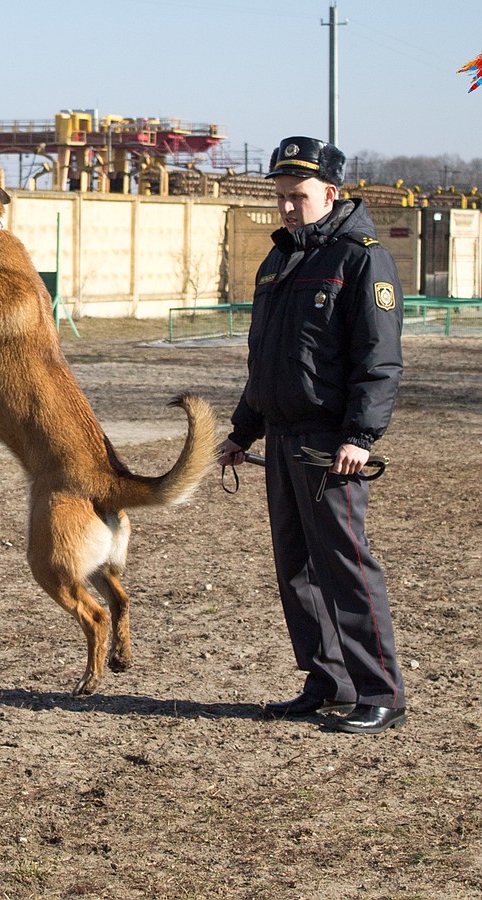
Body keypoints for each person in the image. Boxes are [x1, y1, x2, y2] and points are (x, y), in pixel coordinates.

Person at [218, 135, 407, 735]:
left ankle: (380, 691)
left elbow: (379, 358)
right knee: (295, 567)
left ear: (330, 191)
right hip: (279, 438)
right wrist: (241, 431)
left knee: (346, 566)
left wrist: (361, 434)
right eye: (280, 197)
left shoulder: (360, 256)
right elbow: (265, 362)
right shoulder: (278, 261)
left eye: (297, 196)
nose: (286, 208)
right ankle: (328, 679)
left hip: (330, 442)